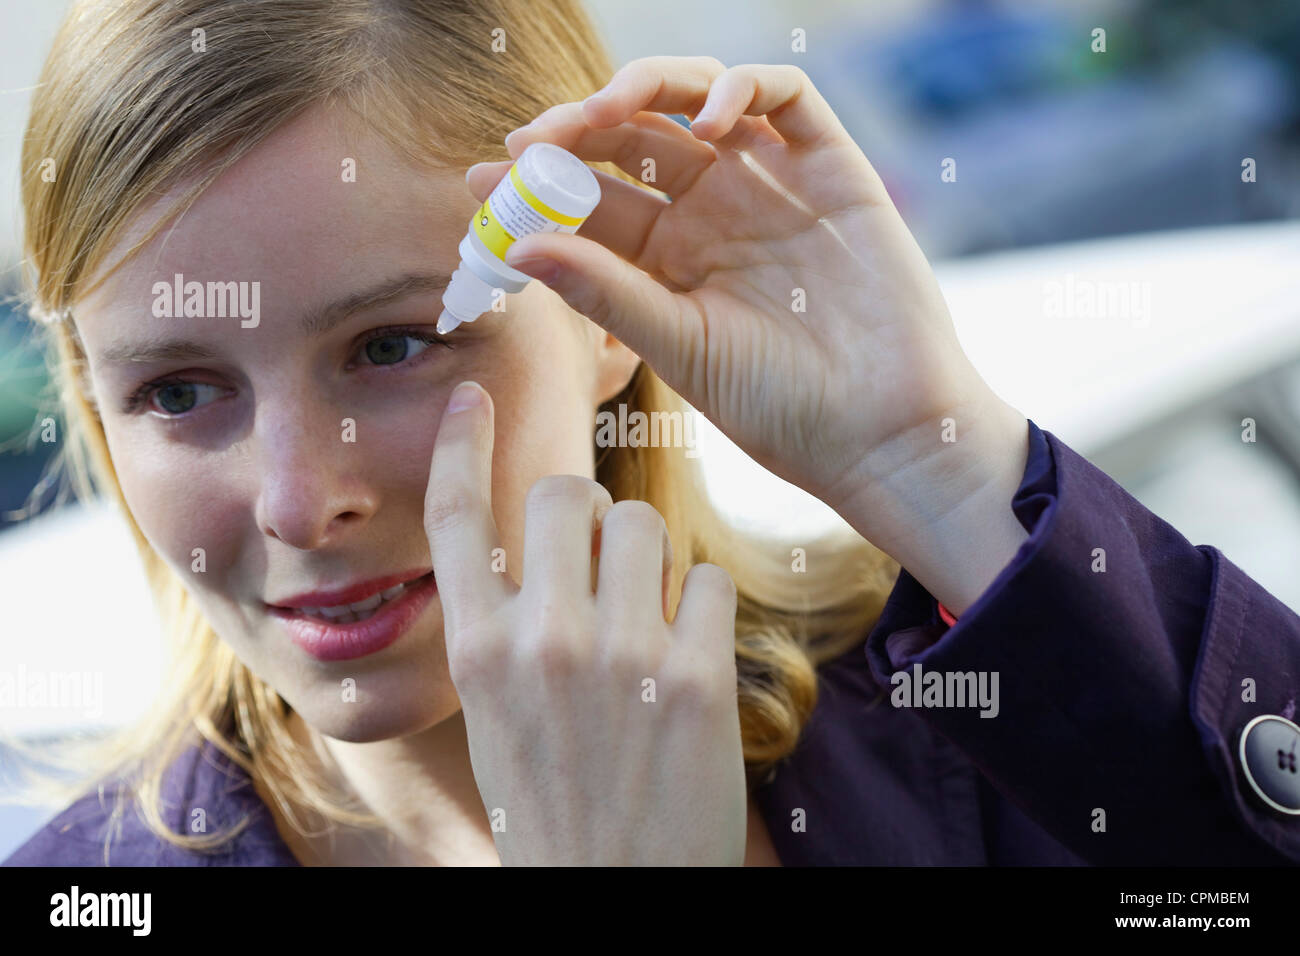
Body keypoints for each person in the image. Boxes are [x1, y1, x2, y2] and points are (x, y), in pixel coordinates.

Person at [3, 0, 1296, 866]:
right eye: (177, 391)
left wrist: (934, 458)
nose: (294, 501)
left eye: (392, 346)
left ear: (610, 307)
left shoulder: (976, 716)